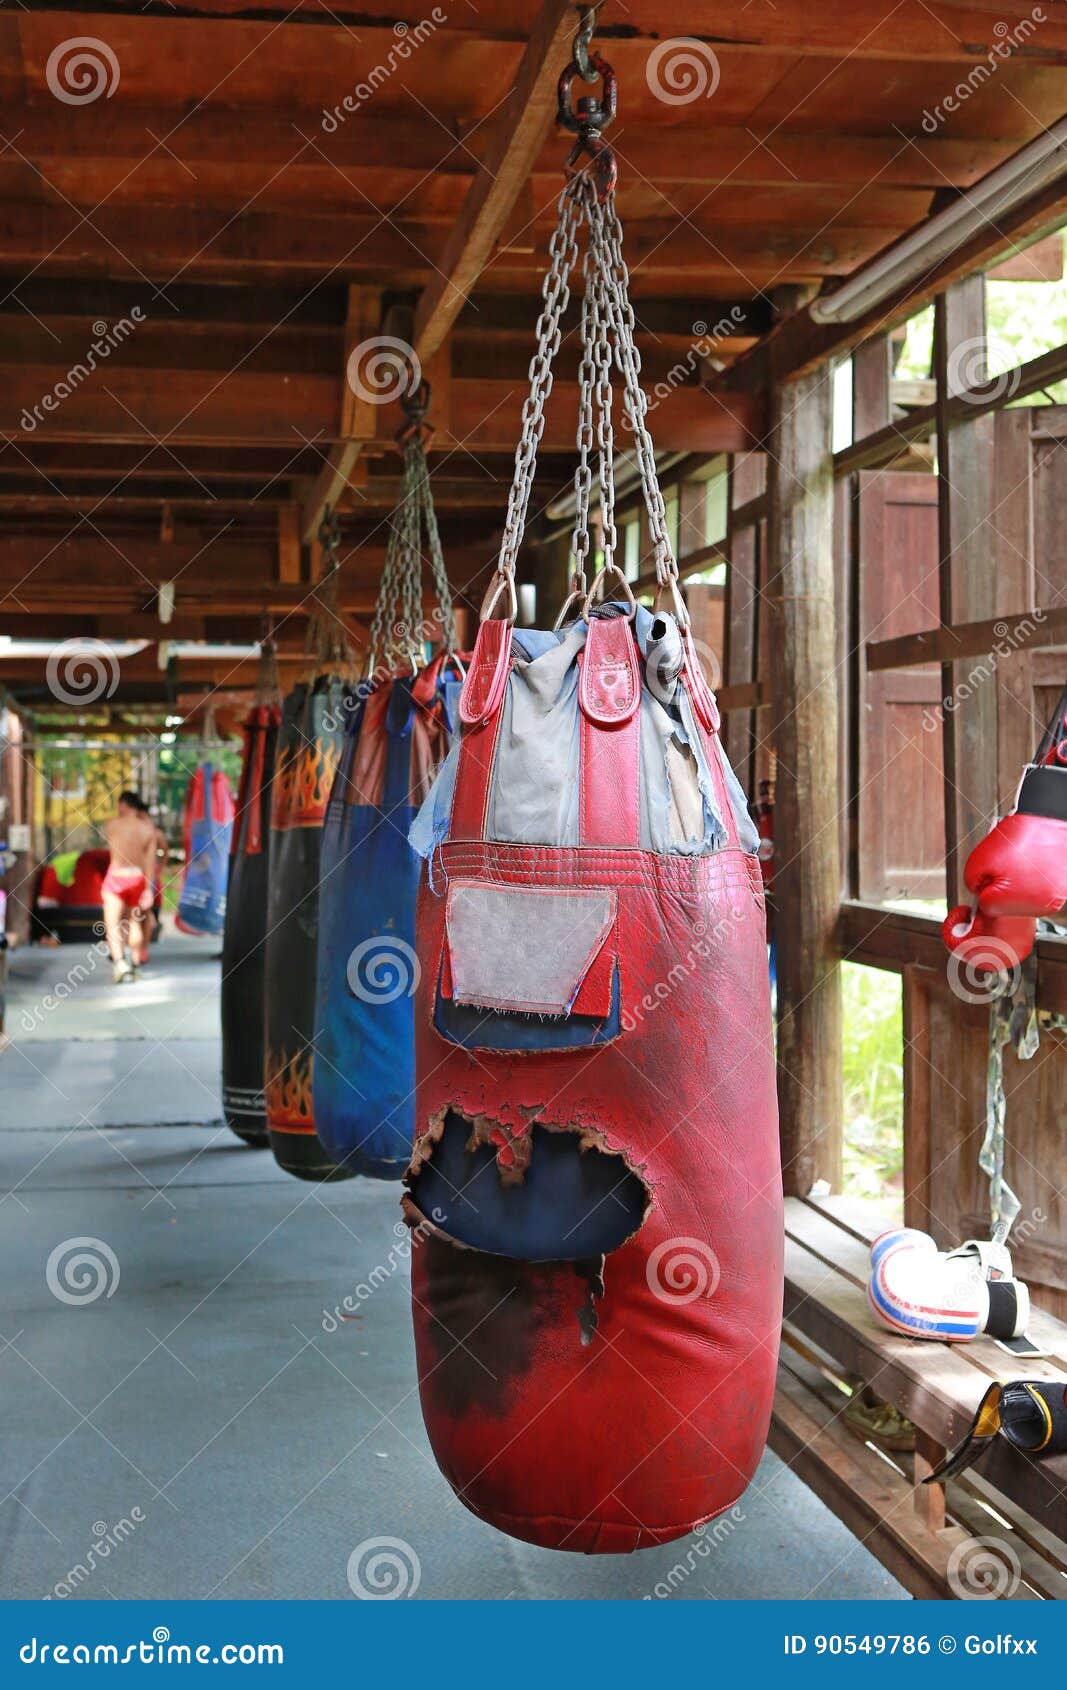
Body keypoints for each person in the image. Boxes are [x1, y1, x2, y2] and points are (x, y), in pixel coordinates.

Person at [101, 791, 157, 983]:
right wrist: (149, 890)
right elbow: (150, 863)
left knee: (113, 923)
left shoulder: (112, 824)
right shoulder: (148, 830)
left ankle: (119, 963)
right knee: (133, 922)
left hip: (116, 876)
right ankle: (135, 964)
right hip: (137, 878)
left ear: (124, 805)